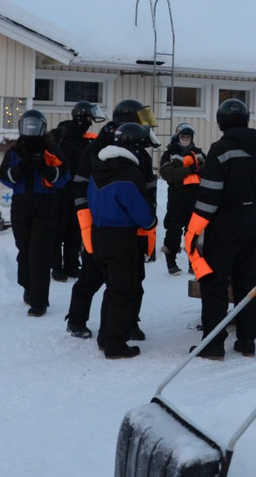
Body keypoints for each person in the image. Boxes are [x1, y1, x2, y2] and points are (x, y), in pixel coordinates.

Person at [185, 98, 256, 360]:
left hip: (224, 223)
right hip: (252, 219)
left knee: (214, 282)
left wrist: (194, 231)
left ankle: (213, 344)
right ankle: (247, 341)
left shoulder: (220, 150)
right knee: (247, 280)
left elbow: (209, 196)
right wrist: (252, 207)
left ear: (222, 121)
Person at [65, 99, 158, 341]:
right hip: (102, 223)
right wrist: (87, 222)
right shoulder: (99, 148)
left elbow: (148, 187)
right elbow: (80, 187)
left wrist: (149, 223)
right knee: (92, 275)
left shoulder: (139, 150)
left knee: (134, 278)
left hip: (134, 225)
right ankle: (76, 320)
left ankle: (129, 322)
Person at [88, 122, 159, 359]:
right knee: (124, 292)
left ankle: (105, 337)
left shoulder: (98, 168)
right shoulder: (128, 174)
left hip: (99, 235)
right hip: (122, 239)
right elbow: (143, 216)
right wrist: (151, 218)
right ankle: (115, 345)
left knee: (112, 289)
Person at [0, 109, 69, 316]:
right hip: (21, 204)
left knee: (40, 253)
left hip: (45, 204)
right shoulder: (15, 151)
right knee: (24, 250)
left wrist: (45, 167)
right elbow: (5, 177)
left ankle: (40, 300)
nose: (30, 129)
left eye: (34, 125)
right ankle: (28, 288)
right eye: (27, 125)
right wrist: (22, 167)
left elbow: (64, 176)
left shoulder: (52, 150)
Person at [51, 101, 105, 281]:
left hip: (79, 189)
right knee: (58, 230)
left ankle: (72, 266)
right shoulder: (64, 132)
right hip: (61, 190)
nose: (91, 121)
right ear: (82, 116)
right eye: (89, 117)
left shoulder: (86, 138)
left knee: (75, 229)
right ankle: (57, 268)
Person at [159, 123, 205, 275]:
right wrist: (190, 169)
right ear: (178, 137)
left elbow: (209, 171)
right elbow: (167, 173)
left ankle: (194, 263)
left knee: (195, 232)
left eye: (188, 137)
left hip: (195, 198)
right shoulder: (170, 153)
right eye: (183, 136)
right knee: (173, 231)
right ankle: (171, 262)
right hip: (177, 199)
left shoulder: (198, 154)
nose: (185, 139)